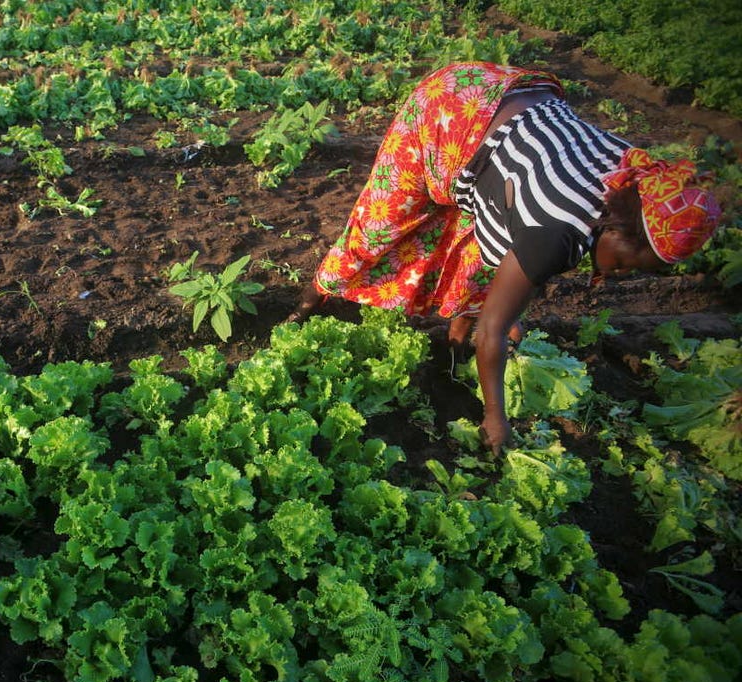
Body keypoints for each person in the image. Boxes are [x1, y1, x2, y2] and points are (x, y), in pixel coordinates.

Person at [288, 61, 722, 456]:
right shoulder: (558, 231)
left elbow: (509, 277)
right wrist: (496, 417)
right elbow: (494, 328)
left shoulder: (634, 175)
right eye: (629, 264)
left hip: (507, 97)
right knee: (376, 226)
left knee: (482, 263)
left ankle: (453, 347)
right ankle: (308, 302)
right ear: (618, 227)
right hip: (450, 110)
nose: (618, 274)